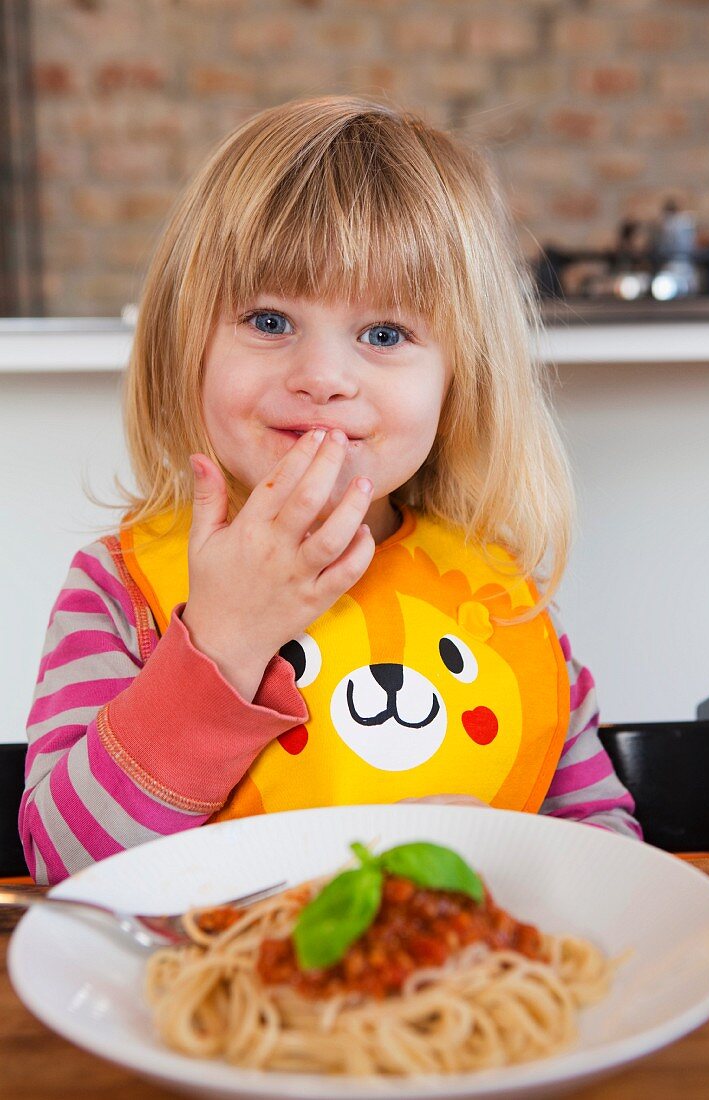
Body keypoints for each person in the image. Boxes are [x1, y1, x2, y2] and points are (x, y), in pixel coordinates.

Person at [20, 96, 640, 885]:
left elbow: (613, 866)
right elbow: (64, 865)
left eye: (384, 335)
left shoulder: (504, 601)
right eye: (269, 320)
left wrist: (505, 861)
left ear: (461, 382)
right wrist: (222, 642)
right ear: (186, 343)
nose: (320, 379)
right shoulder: (119, 590)